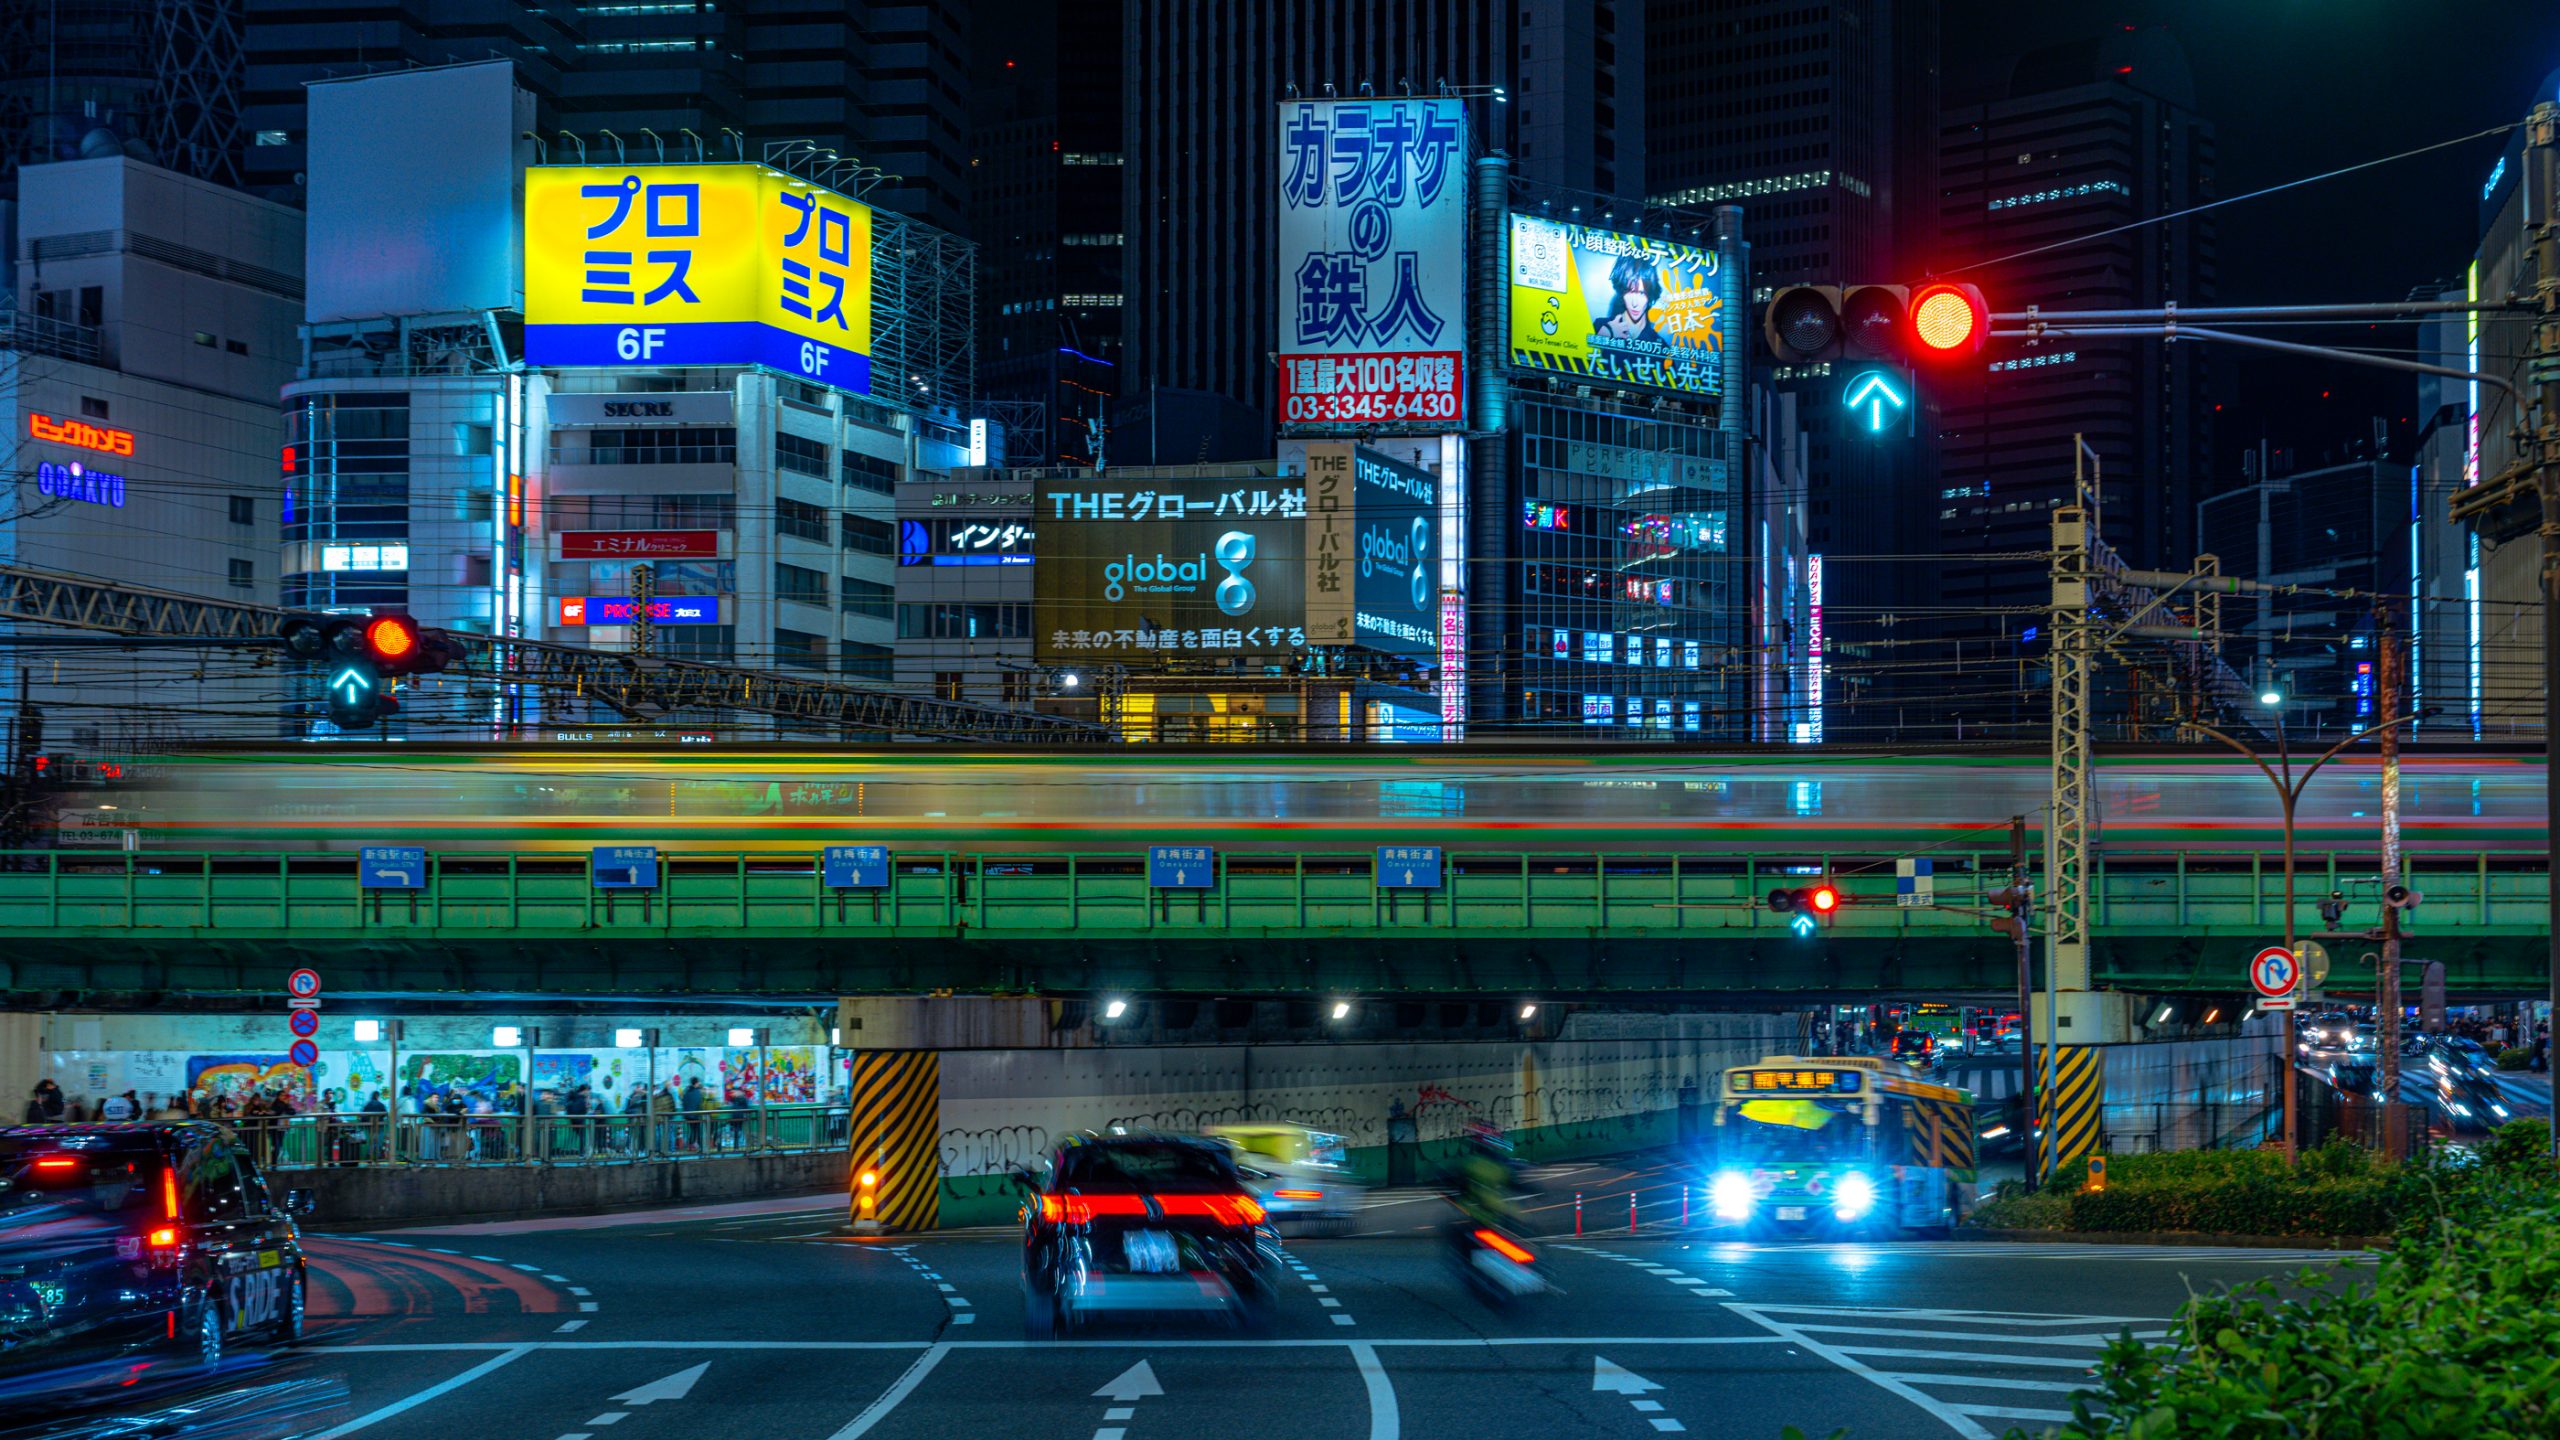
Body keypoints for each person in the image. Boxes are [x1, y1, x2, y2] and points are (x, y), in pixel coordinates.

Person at [1591, 253, 1665, 343]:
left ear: (1650, 294)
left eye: (1641, 293)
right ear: (1622, 292)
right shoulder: (1600, 327)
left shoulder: (1660, 346)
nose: (1634, 303)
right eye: (1629, 292)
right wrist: (1602, 338)